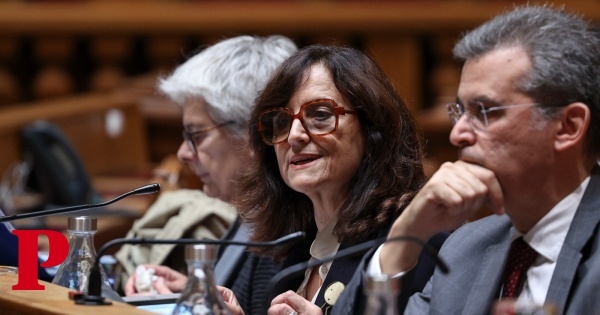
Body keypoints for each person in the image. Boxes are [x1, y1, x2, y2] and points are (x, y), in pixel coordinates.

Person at [333, 5, 600, 315]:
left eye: (484, 111)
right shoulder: (466, 249)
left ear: (568, 126)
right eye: (460, 112)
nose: (457, 135)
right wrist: (403, 241)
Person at [220, 44, 446, 315]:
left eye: (320, 115)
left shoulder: (414, 239)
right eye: (281, 120)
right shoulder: (293, 245)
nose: (294, 135)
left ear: (373, 130)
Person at [118, 34, 298, 293]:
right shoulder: (254, 210)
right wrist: (193, 291)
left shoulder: (283, 237)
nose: (182, 153)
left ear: (253, 135)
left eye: (197, 135)